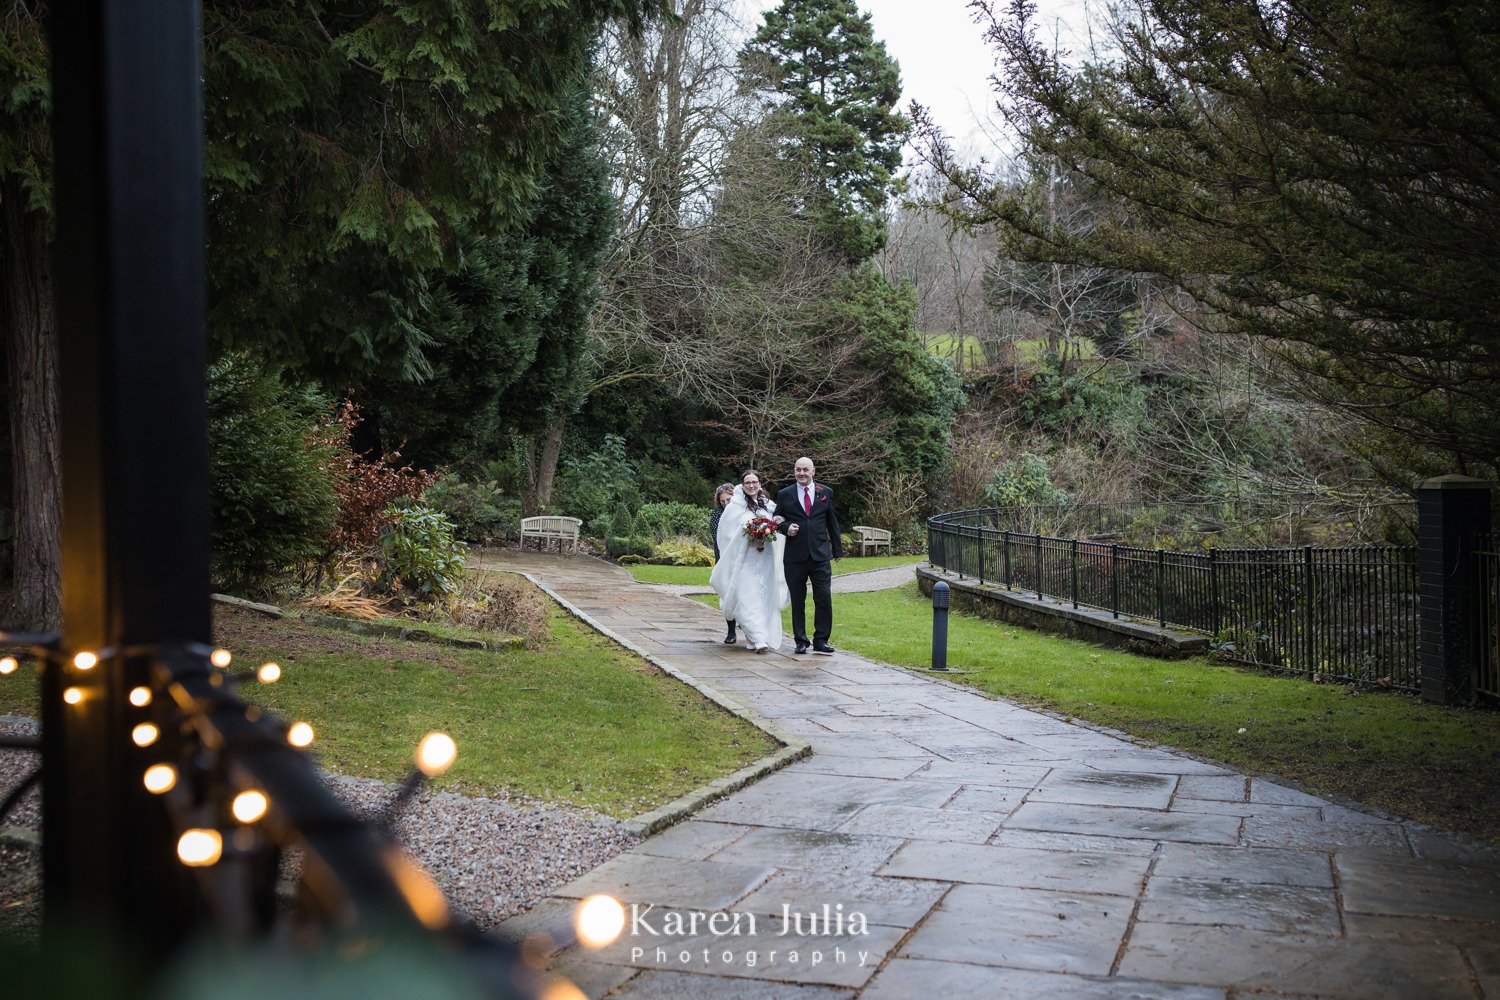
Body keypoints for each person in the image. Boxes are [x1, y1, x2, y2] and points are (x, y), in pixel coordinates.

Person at [708, 470, 789, 653]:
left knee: (762, 597)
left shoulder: (768, 505)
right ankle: (758, 638)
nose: (752, 485)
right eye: (747, 483)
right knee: (747, 596)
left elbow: (778, 522)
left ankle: (755, 638)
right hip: (744, 559)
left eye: (755, 482)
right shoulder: (734, 507)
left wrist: (771, 528)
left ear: (759, 483)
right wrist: (748, 537)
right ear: (742, 485)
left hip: (765, 558)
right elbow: (726, 534)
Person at [774, 456, 842, 655]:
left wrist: (837, 550)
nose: (801, 473)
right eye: (798, 470)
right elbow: (776, 520)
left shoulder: (825, 492)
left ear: (813, 471)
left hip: (820, 555)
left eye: (805, 469)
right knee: (798, 599)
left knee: (823, 598)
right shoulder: (785, 494)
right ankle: (801, 640)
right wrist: (787, 528)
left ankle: (821, 640)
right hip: (795, 556)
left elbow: (832, 522)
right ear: (794, 471)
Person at [708, 482, 737, 644]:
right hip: (724, 560)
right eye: (723, 501)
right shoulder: (717, 515)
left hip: (743, 560)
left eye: (729, 500)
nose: (726, 504)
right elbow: (718, 540)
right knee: (727, 594)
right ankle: (731, 630)